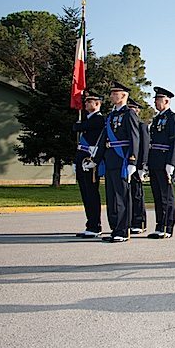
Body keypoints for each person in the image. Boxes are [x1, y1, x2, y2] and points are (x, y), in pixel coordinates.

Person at [85, 81, 140, 243]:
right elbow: (103, 140)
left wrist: (132, 161)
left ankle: (123, 230)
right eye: (111, 93)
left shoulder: (129, 114)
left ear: (123, 95)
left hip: (122, 158)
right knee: (111, 196)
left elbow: (134, 139)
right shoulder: (110, 116)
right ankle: (115, 227)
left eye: (114, 93)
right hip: (110, 159)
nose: (111, 96)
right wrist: (95, 160)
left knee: (122, 196)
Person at [147, 86, 175, 239]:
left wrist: (171, 163)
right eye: (155, 100)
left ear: (166, 100)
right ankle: (159, 225)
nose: (155, 102)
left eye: (158, 99)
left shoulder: (173, 118)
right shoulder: (156, 119)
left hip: (165, 160)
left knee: (166, 196)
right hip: (154, 160)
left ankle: (168, 227)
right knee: (157, 195)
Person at [72, 91, 104, 238]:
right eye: (85, 102)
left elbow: (77, 128)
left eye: (89, 102)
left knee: (91, 193)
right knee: (85, 193)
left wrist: (79, 125)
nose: (85, 104)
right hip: (82, 158)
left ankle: (95, 225)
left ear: (97, 104)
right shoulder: (88, 119)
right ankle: (90, 224)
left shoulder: (98, 119)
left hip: (90, 160)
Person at [127, 98, 149, 234]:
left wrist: (142, 166)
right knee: (127, 194)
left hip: (137, 164)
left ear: (137, 110)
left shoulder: (142, 126)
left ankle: (139, 222)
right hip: (127, 163)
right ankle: (129, 221)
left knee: (136, 194)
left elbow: (145, 147)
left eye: (132, 109)